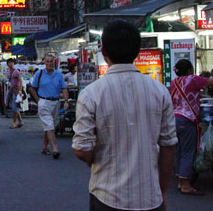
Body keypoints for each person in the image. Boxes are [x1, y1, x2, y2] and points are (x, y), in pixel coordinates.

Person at [73, 20, 177, 211]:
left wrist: (98, 161)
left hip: (107, 195)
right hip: (150, 198)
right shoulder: (159, 91)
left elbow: (81, 149)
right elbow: (168, 146)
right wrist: (162, 192)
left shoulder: (92, 93)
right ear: (138, 51)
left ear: (103, 51)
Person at [170, 59, 213, 195]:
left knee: (179, 151)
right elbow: (211, 82)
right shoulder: (192, 79)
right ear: (190, 70)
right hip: (187, 120)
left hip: (175, 119)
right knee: (188, 152)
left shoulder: (174, 82)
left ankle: (180, 182)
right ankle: (186, 185)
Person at [29, 55, 68, 159]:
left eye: (51, 61)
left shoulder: (58, 74)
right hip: (44, 102)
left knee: (50, 126)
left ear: (54, 62)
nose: (49, 63)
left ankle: (44, 147)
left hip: (55, 102)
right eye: (47, 61)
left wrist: (66, 100)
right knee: (50, 125)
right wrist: (38, 100)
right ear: (44, 62)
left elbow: (64, 88)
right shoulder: (39, 74)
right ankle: (55, 148)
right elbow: (32, 88)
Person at [5, 58, 23, 128]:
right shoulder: (9, 72)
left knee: (14, 107)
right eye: (9, 62)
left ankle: (14, 122)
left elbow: (20, 81)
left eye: (12, 62)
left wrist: (20, 91)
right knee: (15, 107)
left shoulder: (16, 72)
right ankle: (20, 121)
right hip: (12, 91)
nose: (10, 64)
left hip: (16, 91)